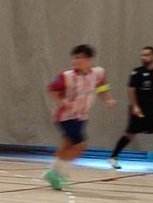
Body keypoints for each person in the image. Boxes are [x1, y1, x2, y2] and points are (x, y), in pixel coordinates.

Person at [46, 44, 115, 190]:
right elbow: (51, 89)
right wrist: (62, 102)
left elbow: (102, 87)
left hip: (81, 116)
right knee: (80, 146)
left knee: (67, 145)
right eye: (75, 57)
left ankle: (54, 173)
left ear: (88, 59)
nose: (76, 60)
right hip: (65, 116)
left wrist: (108, 99)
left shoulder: (97, 73)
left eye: (80, 57)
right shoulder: (66, 76)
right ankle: (57, 172)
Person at [108, 46, 153, 172]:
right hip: (139, 109)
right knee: (130, 134)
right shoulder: (136, 72)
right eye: (142, 55)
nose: (144, 57)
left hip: (151, 107)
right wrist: (135, 106)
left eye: (147, 55)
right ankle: (113, 157)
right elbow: (131, 89)